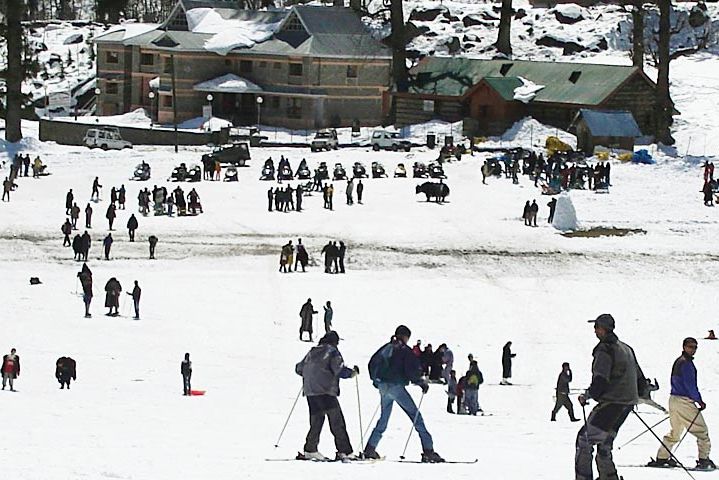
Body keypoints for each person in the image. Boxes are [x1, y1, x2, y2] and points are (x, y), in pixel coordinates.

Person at [576, 314, 647, 480]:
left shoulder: (604, 349)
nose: (595, 331)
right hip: (627, 404)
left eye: (596, 327)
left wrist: (588, 395)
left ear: (602, 329)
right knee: (604, 444)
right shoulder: (627, 348)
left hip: (611, 404)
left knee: (584, 440)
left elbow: (600, 379)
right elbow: (640, 380)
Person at [364, 325, 444, 463]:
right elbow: (412, 370)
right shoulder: (404, 350)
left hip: (383, 387)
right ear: (405, 336)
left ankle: (370, 449)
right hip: (396, 386)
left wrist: (376, 381)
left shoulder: (386, 347)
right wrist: (421, 382)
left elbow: (372, 362)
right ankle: (428, 451)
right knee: (415, 416)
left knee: (383, 419)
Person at [647, 337, 716, 470]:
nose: (693, 350)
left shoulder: (679, 362)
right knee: (702, 432)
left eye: (695, 347)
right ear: (684, 347)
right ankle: (704, 460)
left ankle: (662, 457)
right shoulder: (686, 364)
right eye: (690, 346)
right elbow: (690, 385)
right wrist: (699, 401)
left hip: (673, 399)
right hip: (684, 400)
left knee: (676, 432)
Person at [295, 331, 358, 461]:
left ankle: (310, 449)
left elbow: (299, 368)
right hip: (326, 391)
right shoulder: (332, 351)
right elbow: (338, 369)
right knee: (336, 421)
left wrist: (312, 375)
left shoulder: (312, 352)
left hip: (310, 390)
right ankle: (344, 451)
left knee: (317, 420)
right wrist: (352, 373)